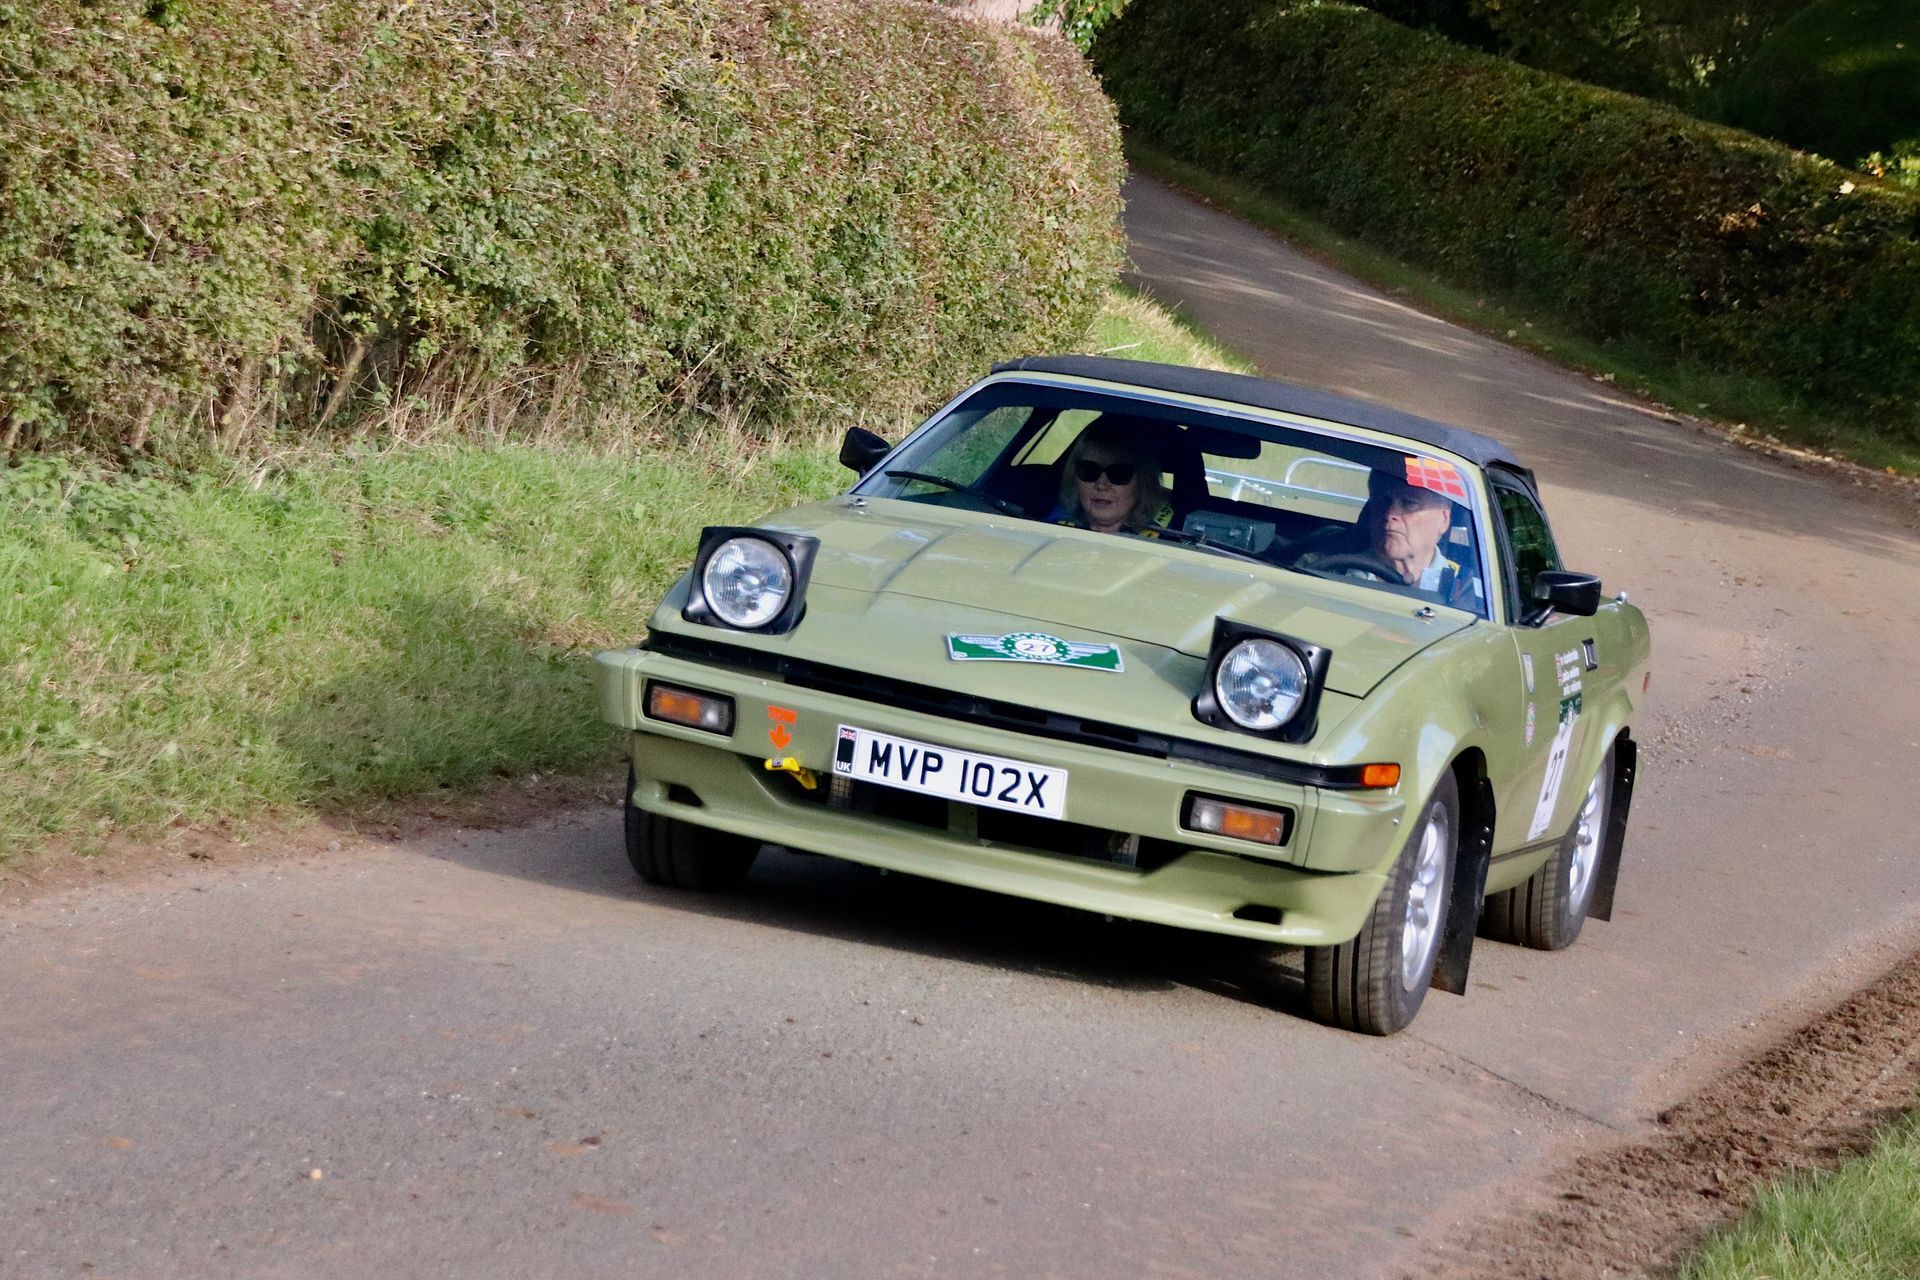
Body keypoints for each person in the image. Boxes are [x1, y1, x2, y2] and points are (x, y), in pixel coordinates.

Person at [1295, 474, 1481, 608]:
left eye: (1409, 504)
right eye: (1382, 502)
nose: (1390, 514)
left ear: (1444, 519)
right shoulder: (1317, 569)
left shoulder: (1469, 592)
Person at [1055, 418, 1172, 535]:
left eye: (1118, 473)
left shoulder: (1171, 542)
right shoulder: (1046, 524)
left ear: (1144, 483)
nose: (1101, 485)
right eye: (1089, 470)